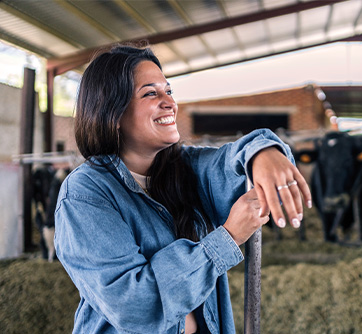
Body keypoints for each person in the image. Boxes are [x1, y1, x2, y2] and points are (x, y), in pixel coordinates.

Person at [54, 45, 312, 334]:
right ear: (112, 112)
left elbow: (233, 163)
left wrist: (265, 152)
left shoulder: (186, 167)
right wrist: (227, 238)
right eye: (150, 93)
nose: (169, 103)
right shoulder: (86, 194)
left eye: (169, 90)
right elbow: (136, 306)